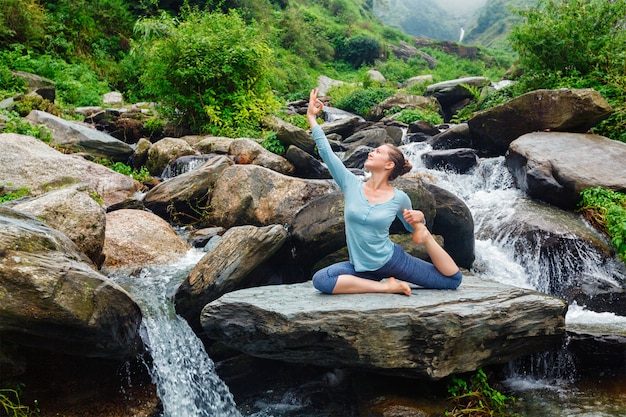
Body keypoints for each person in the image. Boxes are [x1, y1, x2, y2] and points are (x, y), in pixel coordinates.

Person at [306, 88, 462, 296]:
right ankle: (385, 286)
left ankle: (421, 248)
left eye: (377, 151)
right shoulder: (350, 184)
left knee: (452, 280)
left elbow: (412, 228)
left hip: (392, 261)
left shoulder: (399, 198)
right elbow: (327, 153)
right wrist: (312, 118)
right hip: (360, 268)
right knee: (322, 280)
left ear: (389, 165)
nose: (371, 152)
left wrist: (420, 221)